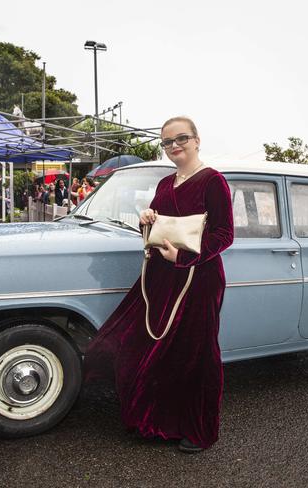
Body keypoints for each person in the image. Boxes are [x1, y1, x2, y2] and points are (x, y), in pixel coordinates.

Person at [84, 116, 234, 453]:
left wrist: (183, 259)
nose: (174, 145)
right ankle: (153, 422)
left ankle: (198, 430)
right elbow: (158, 232)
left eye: (181, 138)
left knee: (194, 354)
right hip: (161, 278)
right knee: (148, 349)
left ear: (197, 140)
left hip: (199, 279)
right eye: (167, 142)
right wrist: (146, 221)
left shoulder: (213, 181)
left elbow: (225, 235)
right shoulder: (166, 184)